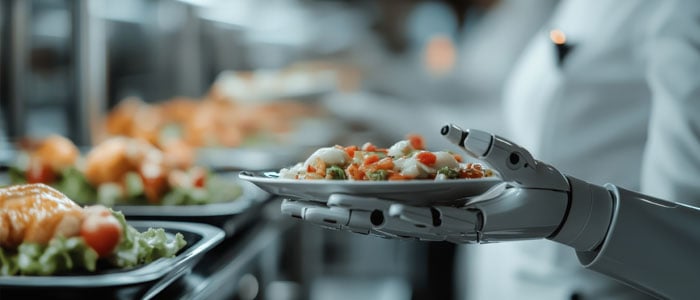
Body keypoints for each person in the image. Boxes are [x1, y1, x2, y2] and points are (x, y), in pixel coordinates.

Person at [262, 0, 700, 299]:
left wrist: (576, 215)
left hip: (587, 287)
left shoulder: (679, 12)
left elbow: (686, 246)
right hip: (503, 273)